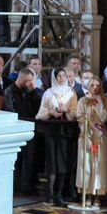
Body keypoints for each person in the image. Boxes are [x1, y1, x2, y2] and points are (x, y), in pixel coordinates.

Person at [37, 69, 79, 205]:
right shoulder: (48, 93)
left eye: (63, 75)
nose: (61, 78)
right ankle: (49, 193)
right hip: (52, 131)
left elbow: (75, 112)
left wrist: (66, 111)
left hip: (66, 131)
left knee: (63, 163)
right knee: (53, 163)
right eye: (58, 76)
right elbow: (40, 113)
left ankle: (59, 193)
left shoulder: (71, 92)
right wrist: (50, 112)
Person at [74, 78, 107, 208]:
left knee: (99, 166)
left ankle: (98, 195)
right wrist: (87, 137)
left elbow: (103, 118)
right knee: (86, 166)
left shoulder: (106, 101)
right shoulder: (82, 101)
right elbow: (80, 119)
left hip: (100, 136)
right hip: (86, 136)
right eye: (92, 85)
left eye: (97, 85)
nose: (95, 87)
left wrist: (100, 103)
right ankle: (87, 194)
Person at [5, 69, 42, 195]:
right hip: (15, 130)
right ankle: (15, 187)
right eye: (28, 81)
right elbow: (10, 111)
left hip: (29, 129)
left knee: (29, 159)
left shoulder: (29, 92)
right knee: (17, 161)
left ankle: (26, 186)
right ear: (22, 79)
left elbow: (38, 107)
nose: (30, 83)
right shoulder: (9, 92)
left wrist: (33, 92)